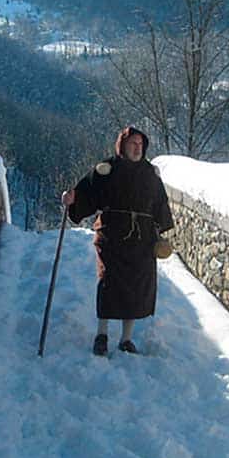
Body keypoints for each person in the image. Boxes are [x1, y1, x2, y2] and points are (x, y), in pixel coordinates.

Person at [61, 126, 173, 356]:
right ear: (122, 145)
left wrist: (161, 232)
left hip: (141, 242)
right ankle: (102, 334)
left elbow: (160, 204)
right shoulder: (106, 170)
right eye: (132, 143)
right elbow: (86, 194)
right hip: (112, 238)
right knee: (109, 283)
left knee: (135, 289)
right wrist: (72, 200)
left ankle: (126, 339)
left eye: (140, 144)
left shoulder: (150, 174)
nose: (137, 148)